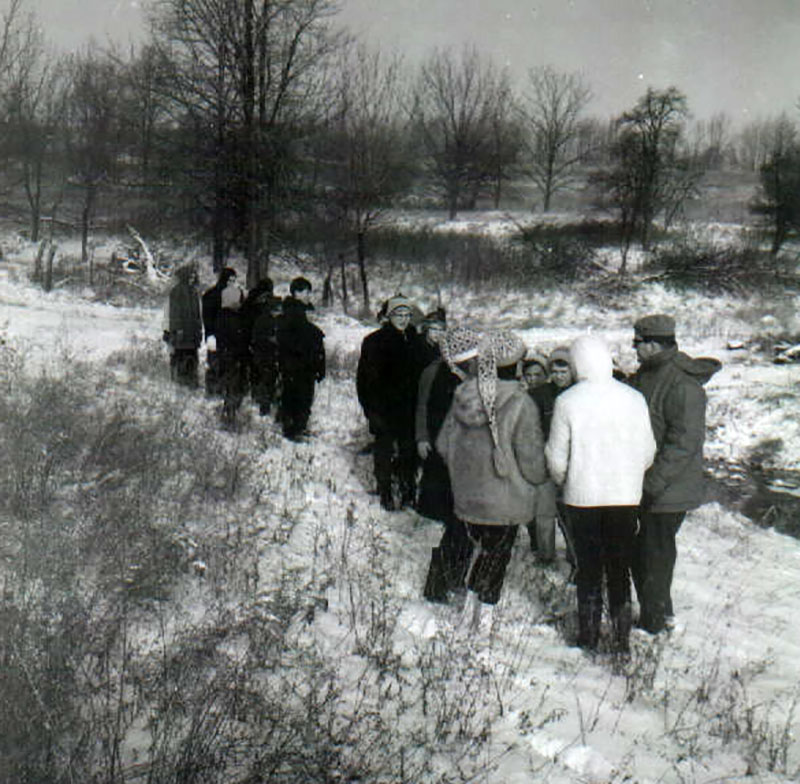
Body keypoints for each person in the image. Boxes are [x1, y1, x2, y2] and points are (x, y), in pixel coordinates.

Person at [545, 335, 656, 655]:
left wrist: (566, 480)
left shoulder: (567, 401)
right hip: (625, 496)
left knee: (589, 567)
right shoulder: (634, 399)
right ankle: (622, 640)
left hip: (582, 497)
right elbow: (648, 451)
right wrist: (629, 476)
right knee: (620, 566)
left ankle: (588, 636)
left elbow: (556, 458)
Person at [436, 330, 550, 635]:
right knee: (496, 558)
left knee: (480, 552)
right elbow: (531, 459)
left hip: (468, 497)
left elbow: (444, 445)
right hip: (505, 497)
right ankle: (482, 624)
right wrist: (540, 479)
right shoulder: (521, 403)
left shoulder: (462, 397)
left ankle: (465, 617)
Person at [630, 314, 721, 635]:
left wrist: (651, 485)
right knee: (645, 552)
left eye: (637, 343)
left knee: (652, 556)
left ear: (654, 344)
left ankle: (653, 625)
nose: (634, 348)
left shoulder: (681, 385)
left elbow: (683, 444)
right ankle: (660, 614)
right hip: (649, 485)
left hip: (665, 489)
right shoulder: (649, 373)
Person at [418, 327, 480, 603]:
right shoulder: (437, 374)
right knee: (457, 525)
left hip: (466, 462)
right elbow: (423, 408)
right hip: (447, 461)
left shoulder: (474, 381)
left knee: (462, 526)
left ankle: (450, 579)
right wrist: (422, 438)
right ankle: (440, 584)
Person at [357, 294, 426, 511]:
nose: (403, 319)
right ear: (389, 316)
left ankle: (407, 490)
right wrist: (371, 411)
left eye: (407, 315)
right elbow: (365, 380)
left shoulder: (415, 341)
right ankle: (385, 491)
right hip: (384, 408)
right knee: (384, 450)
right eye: (398, 314)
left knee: (408, 451)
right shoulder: (374, 341)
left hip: (409, 408)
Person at [527, 346, 576, 567]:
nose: (559, 376)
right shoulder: (539, 395)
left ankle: (575, 557)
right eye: (555, 371)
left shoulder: (580, 394)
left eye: (563, 371)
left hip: (573, 464)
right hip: (546, 462)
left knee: (571, 514)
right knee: (544, 513)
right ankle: (545, 556)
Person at [276, 277, 326, 441]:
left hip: (305, 364)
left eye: (309, 291)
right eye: (305, 291)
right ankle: (292, 430)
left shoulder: (304, 311)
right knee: (295, 396)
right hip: (295, 364)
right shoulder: (291, 312)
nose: (308, 295)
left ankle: (300, 427)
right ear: (296, 292)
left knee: (304, 396)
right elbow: (291, 339)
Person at [216, 281, 250, 430]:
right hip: (233, 357)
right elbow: (238, 339)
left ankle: (230, 414)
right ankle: (229, 416)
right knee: (234, 386)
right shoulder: (232, 319)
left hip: (227, 356)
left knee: (232, 386)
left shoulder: (223, 316)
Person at [245, 277, 281, 416]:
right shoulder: (267, 303)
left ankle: (256, 395)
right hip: (263, 342)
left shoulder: (251, 300)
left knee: (257, 371)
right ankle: (263, 401)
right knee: (266, 375)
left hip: (253, 339)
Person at [163, 263, 203, 388]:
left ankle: (191, 382)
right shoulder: (177, 291)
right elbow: (174, 313)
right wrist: (177, 329)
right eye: (190, 276)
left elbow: (197, 314)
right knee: (181, 357)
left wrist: (199, 330)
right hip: (181, 333)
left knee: (191, 357)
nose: (192, 278)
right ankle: (181, 383)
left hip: (192, 332)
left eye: (193, 276)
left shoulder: (194, 292)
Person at [201, 267, 237, 396]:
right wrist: (210, 334)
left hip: (220, 335)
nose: (232, 283)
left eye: (234, 281)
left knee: (219, 364)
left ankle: (216, 391)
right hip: (217, 335)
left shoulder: (213, 294)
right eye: (230, 280)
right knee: (218, 365)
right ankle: (216, 391)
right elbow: (208, 317)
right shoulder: (217, 295)